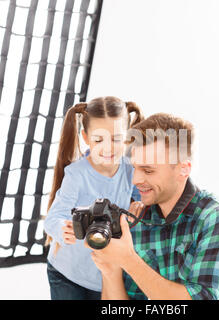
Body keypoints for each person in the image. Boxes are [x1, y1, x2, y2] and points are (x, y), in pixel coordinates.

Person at [87, 113, 219, 300]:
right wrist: (111, 270)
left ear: (184, 168)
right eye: (135, 168)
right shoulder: (139, 222)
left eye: (148, 170)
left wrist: (128, 259)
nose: (136, 180)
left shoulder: (218, 220)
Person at [43, 96, 145, 300]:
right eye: (99, 140)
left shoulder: (130, 172)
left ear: (127, 137)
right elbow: (53, 218)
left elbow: (138, 207)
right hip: (67, 273)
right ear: (86, 137)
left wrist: (138, 212)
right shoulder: (77, 174)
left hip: (104, 277)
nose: (108, 148)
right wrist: (63, 229)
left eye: (116, 139)